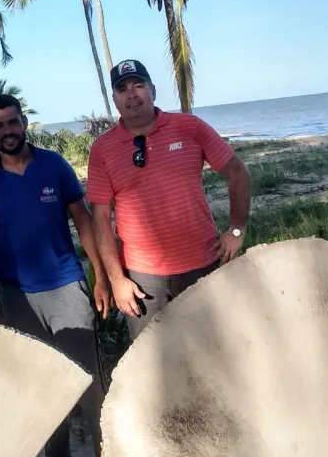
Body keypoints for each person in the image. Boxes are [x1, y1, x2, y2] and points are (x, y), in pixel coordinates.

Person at [0, 94, 111, 457]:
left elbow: (83, 220)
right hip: (17, 296)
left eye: (12, 122)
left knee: (88, 379)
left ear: (24, 123)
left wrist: (98, 275)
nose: (7, 131)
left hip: (67, 285)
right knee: (40, 383)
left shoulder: (54, 165)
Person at [87, 60, 251, 341]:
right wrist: (117, 280)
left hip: (202, 263)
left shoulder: (190, 127)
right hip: (142, 278)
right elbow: (100, 219)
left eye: (139, 85)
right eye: (122, 89)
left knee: (214, 347)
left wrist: (236, 231)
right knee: (150, 357)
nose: (132, 94)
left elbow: (238, 174)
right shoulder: (103, 149)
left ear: (152, 89)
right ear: (114, 99)